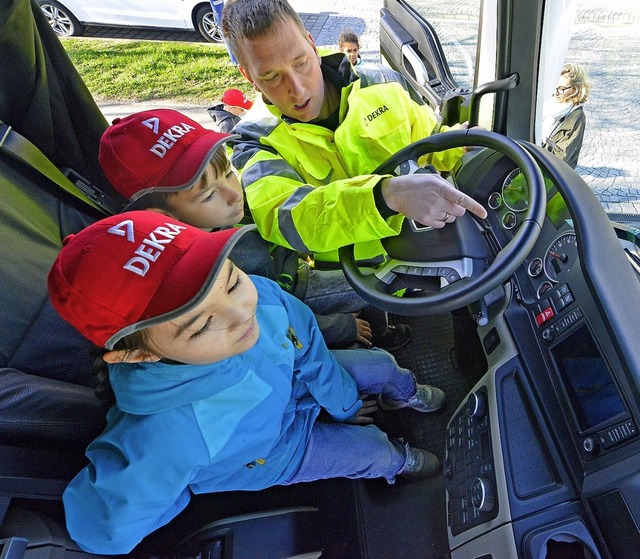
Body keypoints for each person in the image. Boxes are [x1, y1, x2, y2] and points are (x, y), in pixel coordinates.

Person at [48, 210, 447, 554]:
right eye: (203, 323)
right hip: (278, 451)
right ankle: (398, 461)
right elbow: (105, 529)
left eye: (232, 282)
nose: (241, 312)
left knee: (379, 365)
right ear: (139, 355)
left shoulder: (262, 297)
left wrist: (343, 404)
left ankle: (403, 395)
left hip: (292, 384)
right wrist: (186, 487)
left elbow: (309, 350)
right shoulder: (170, 433)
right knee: (371, 452)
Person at [98, 108, 404, 350]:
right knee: (379, 284)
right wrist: (338, 327)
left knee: (380, 272)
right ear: (162, 216)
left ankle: (381, 330)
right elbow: (269, 319)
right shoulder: (212, 271)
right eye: (208, 195)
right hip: (289, 303)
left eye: (229, 173)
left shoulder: (234, 202)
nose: (235, 193)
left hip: (292, 273)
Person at [221, 0, 487, 271]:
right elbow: (289, 218)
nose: (297, 90)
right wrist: (383, 197)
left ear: (312, 44)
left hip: (431, 253)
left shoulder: (383, 82)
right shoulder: (252, 142)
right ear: (248, 76)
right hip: (352, 283)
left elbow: (429, 140)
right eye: (272, 77)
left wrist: (464, 147)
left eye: (301, 63)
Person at [541, 62, 591, 169]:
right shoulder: (549, 104)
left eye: (562, 89)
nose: (556, 92)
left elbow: (561, 155)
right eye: (555, 87)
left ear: (574, 90)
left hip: (554, 172)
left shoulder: (576, 117)